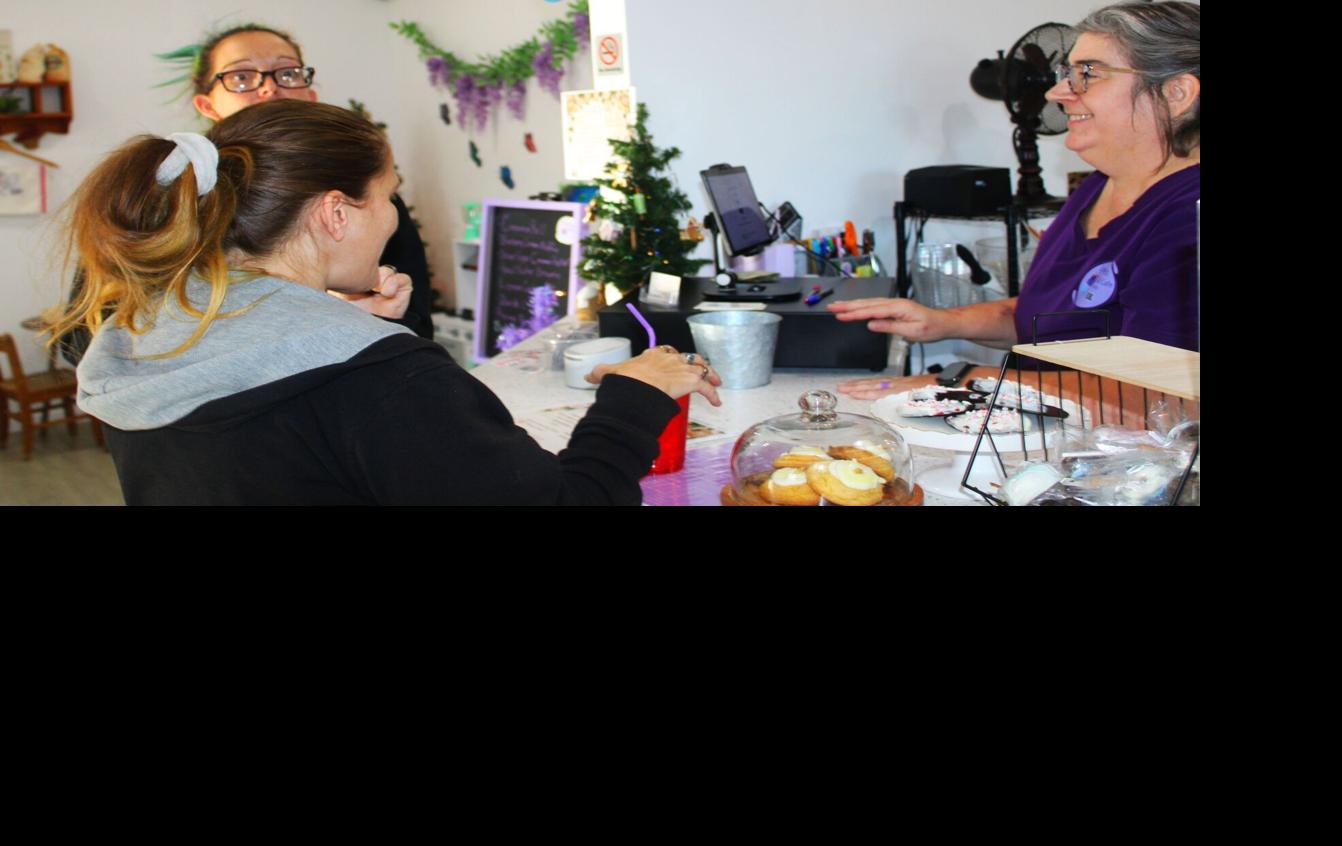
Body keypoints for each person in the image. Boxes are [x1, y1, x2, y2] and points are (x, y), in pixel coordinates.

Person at [50, 100, 721, 505]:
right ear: (336, 214)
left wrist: (340, 327)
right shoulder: (377, 379)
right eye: (388, 194)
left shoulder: (145, 343)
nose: (393, 218)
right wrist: (635, 397)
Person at [834, 1, 1199, 410]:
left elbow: (1162, 402)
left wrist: (963, 380)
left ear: (1176, 93)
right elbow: (1047, 319)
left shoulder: (1188, 218)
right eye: (1067, 73)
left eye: (1088, 75)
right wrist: (939, 322)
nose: (1057, 92)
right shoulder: (1097, 187)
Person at [189, 24, 435, 339]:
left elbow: (415, 316)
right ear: (207, 105)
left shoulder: (370, 193)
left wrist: (371, 317)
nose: (269, 88)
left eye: (287, 73)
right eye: (241, 77)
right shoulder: (190, 202)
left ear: (311, 95)